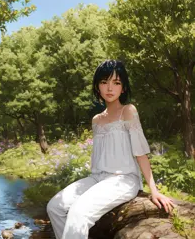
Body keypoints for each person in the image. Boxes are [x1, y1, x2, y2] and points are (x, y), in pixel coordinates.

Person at [46, 60, 174, 239]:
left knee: (78, 212)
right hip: (97, 179)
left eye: (116, 82)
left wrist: (153, 190)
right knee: (54, 207)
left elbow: (140, 152)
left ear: (124, 88)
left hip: (124, 179)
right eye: (104, 82)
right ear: (97, 86)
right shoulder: (96, 120)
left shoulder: (128, 111)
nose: (110, 88)